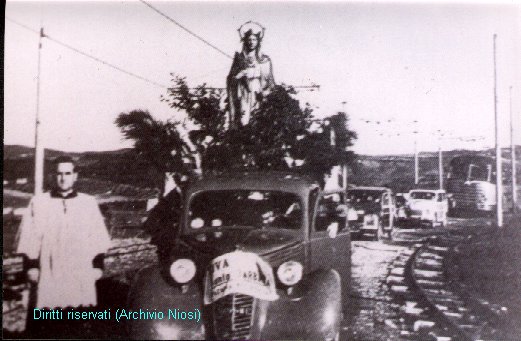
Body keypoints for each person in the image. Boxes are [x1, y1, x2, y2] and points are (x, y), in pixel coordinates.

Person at [16, 156, 111, 335]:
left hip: (79, 272)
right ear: (53, 176)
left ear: (75, 176)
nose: (63, 178)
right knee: (49, 324)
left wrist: (97, 265)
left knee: (77, 322)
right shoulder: (39, 202)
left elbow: (96, 236)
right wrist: (31, 266)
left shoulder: (88, 203)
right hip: (49, 272)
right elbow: (30, 237)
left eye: (67, 173)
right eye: (59, 173)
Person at [227, 21, 275, 129]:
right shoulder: (239, 59)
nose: (251, 42)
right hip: (243, 92)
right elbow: (231, 79)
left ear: (258, 41)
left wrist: (266, 93)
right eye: (249, 40)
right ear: (245, 41)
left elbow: (270, 82)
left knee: (258, 117)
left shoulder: (264, 60)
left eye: (254, 39)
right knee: (244, 120)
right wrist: (239, 75)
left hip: (257, 91)